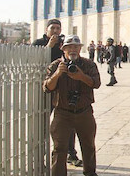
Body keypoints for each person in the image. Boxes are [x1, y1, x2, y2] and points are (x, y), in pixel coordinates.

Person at [43, 35, 101, 176]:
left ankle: (90, 173)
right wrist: (57, 74)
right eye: (69, 47)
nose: (73, 50)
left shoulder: (89, 65)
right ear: (63, 50)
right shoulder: (56, 65)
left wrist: (81, 76)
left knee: (88, 146)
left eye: (76, 47)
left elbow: (96, 83)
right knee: (59, 149)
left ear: (80, 48)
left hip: (84, 112)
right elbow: (47, 88)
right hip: (62, 113)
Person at [32, 19, 82, 166]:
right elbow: (35, 60)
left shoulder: (63, 43)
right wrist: (49, 45)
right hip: (47, 86)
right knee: (43, 121)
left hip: (64, 88)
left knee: (69, 121)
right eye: (52, 28)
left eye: (58, 28)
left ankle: (70, 153)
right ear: (46, 29)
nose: (55, 31)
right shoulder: (38, 43)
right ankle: (41, 154)